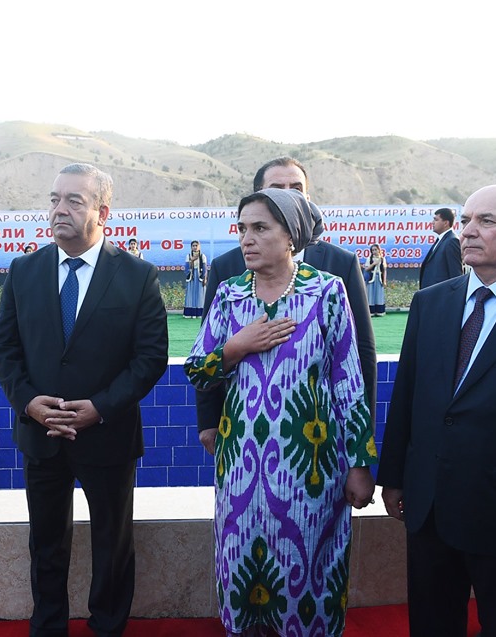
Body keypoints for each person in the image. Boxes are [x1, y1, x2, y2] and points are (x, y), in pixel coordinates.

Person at [186, 187, 376, 637]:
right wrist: (234, 349)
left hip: (310, 468)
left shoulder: (326, 291)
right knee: (240, 565)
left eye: (259, 228)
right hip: (239, 467)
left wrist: (359, 464)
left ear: (291, 236)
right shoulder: (230, 295)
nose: (246, 239)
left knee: (308, 572)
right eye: (242, 229)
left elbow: (349, 382)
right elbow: (197, 371)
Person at [0, 163, 168, 637]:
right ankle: (48, 626)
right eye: (54, 199)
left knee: (113, 544)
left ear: (102, 212)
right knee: (46, 543)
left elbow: (150, 358)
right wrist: (29, 402)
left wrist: (99, 408)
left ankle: (107, 626)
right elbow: (2, 347)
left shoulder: (138, 276)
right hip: (41, 434)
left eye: (74, 201)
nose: (59, 210)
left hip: (107, 436)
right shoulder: (24, 271)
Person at [378, 184, 496, 637]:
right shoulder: (430, 302)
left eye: (486, 221)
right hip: (430, 511)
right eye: (465, 220)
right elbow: (408, 394)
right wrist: (394, 476)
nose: (468, 231)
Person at [198, 157, 376, 447]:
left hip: (317, 441)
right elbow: (205, 351)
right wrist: (208, 422)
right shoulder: (227, 272)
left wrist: (359, 441)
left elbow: (360, 355)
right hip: (242, 439)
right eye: (277, 188)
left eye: (296, 188)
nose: (288, 195)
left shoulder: (338, 269)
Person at [418, 207, 463, 289]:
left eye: (436, 220)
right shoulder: (441, 240)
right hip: (431, 292)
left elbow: (455, 273)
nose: (432, 222)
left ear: (446, 223)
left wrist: (455, 293)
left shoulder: (452, 241)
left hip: (442, 293)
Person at [183, 240, 208, 318]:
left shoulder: (202, 256)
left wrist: (205, 278)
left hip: (200, 277)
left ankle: (200, 313)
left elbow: (205, 268)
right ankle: (190, 313)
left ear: (199, 246)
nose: (195, 247)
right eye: (193, 246)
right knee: (191, 294)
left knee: (200, 294)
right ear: (191, 247)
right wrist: (192, 260)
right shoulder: (188, 256)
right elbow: (186, 268)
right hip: (192, 277)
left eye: (196, 245)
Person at [363, 243, 388, 316]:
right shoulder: (369, 259)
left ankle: (379, 311)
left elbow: (384, 270)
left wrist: (384, 281)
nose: (374, 251)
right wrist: (374, 264)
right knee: (370, 294)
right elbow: (366, 269)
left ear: (379, 250)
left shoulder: (382, 259)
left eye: (375, 250)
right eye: (373, 250)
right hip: (371, 278)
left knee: (379, 294)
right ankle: (371, 311)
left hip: (379, 278)